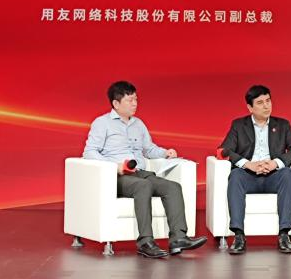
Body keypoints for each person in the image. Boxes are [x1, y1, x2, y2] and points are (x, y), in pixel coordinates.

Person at [82, 81, 208, 258]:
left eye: (136, 99)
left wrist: (165, 153)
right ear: (116, 103)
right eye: (130, 100)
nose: (135, 104)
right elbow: (89, 152)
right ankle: (145, 242)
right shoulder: (102, 123)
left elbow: (148, 149)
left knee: (172, 187)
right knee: (143, 186)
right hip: (117, 176)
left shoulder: (138, 124)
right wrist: (114, 167)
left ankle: (178, 238)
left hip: (140, 173)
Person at [218, 84, 291, 254]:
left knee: (287, 174)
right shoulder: (239, 125)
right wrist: (247, 164)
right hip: (248, 176)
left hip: (274, 176)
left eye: (268, 101)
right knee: (235, 176)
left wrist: (275, 163)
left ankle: (284, 235)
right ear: (250, 107)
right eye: (260, 103)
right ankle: (239, 236)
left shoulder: (282, 125)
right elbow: (224, 150)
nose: (266, 106)